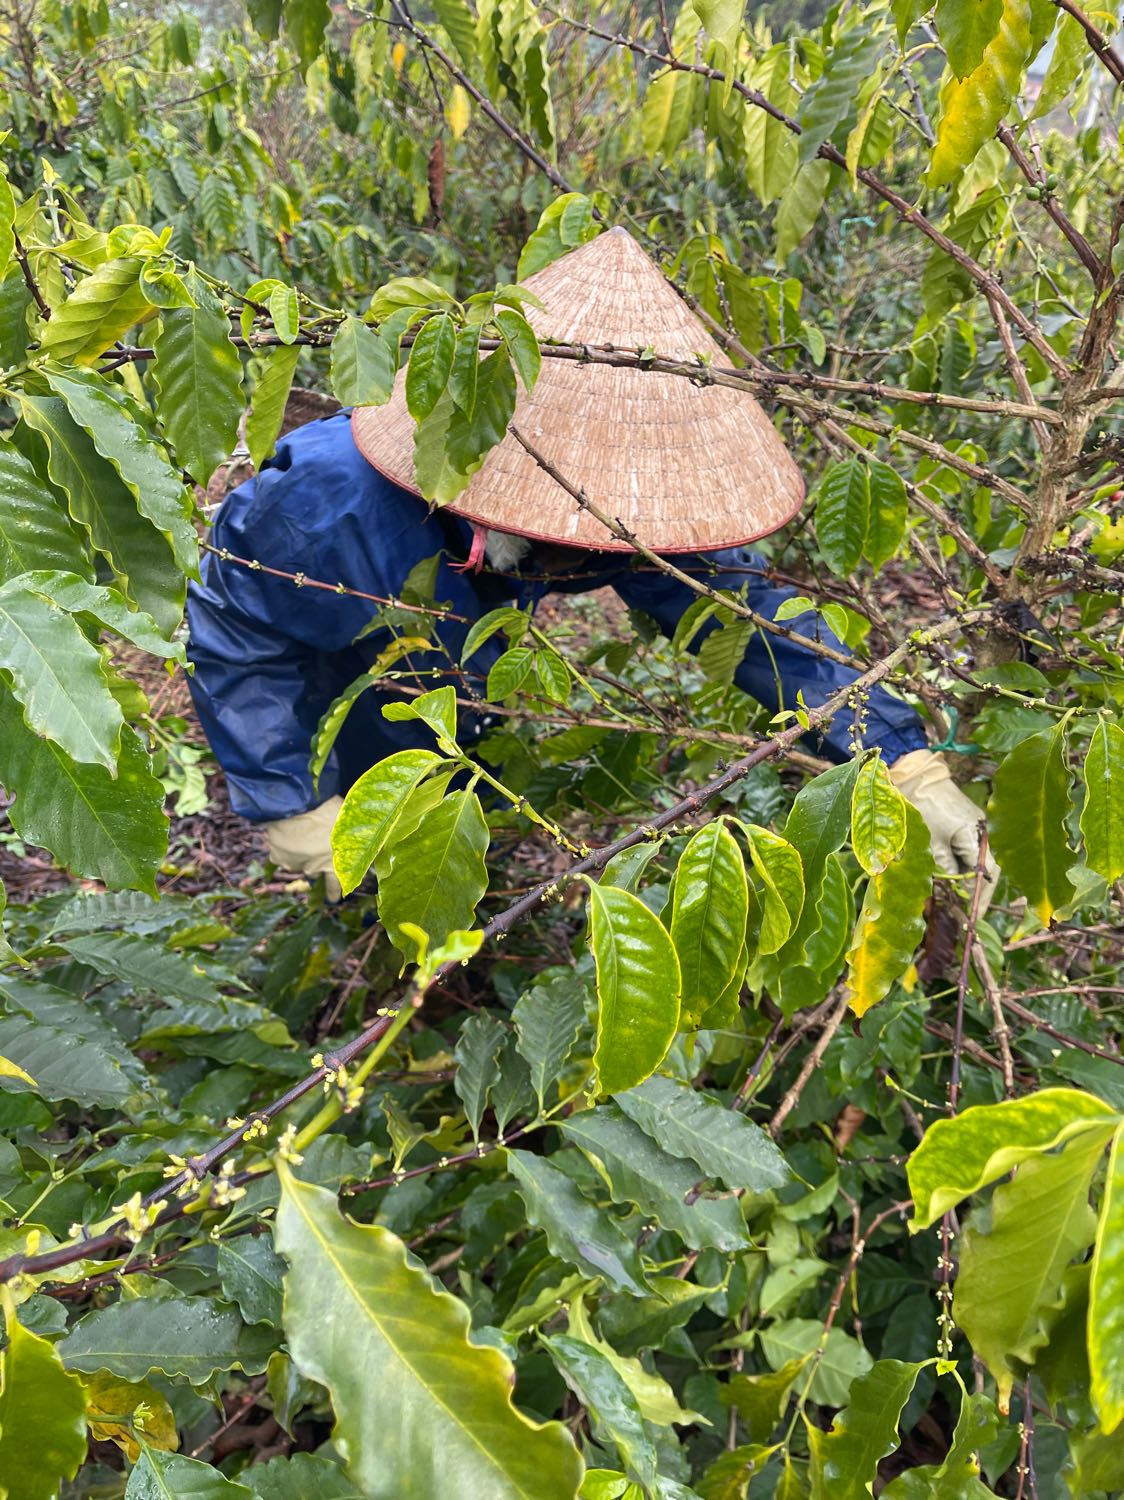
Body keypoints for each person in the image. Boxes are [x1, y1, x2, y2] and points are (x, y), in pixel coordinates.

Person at [187, 229, 996, 905]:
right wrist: (292, 801)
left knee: (449, 796)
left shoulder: (623, 508)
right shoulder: (329, 505)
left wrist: (895, 757)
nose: (610, 548)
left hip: (460, 676)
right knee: (367, 809)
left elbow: (742, 615)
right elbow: (237, 634)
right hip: (341, 679)